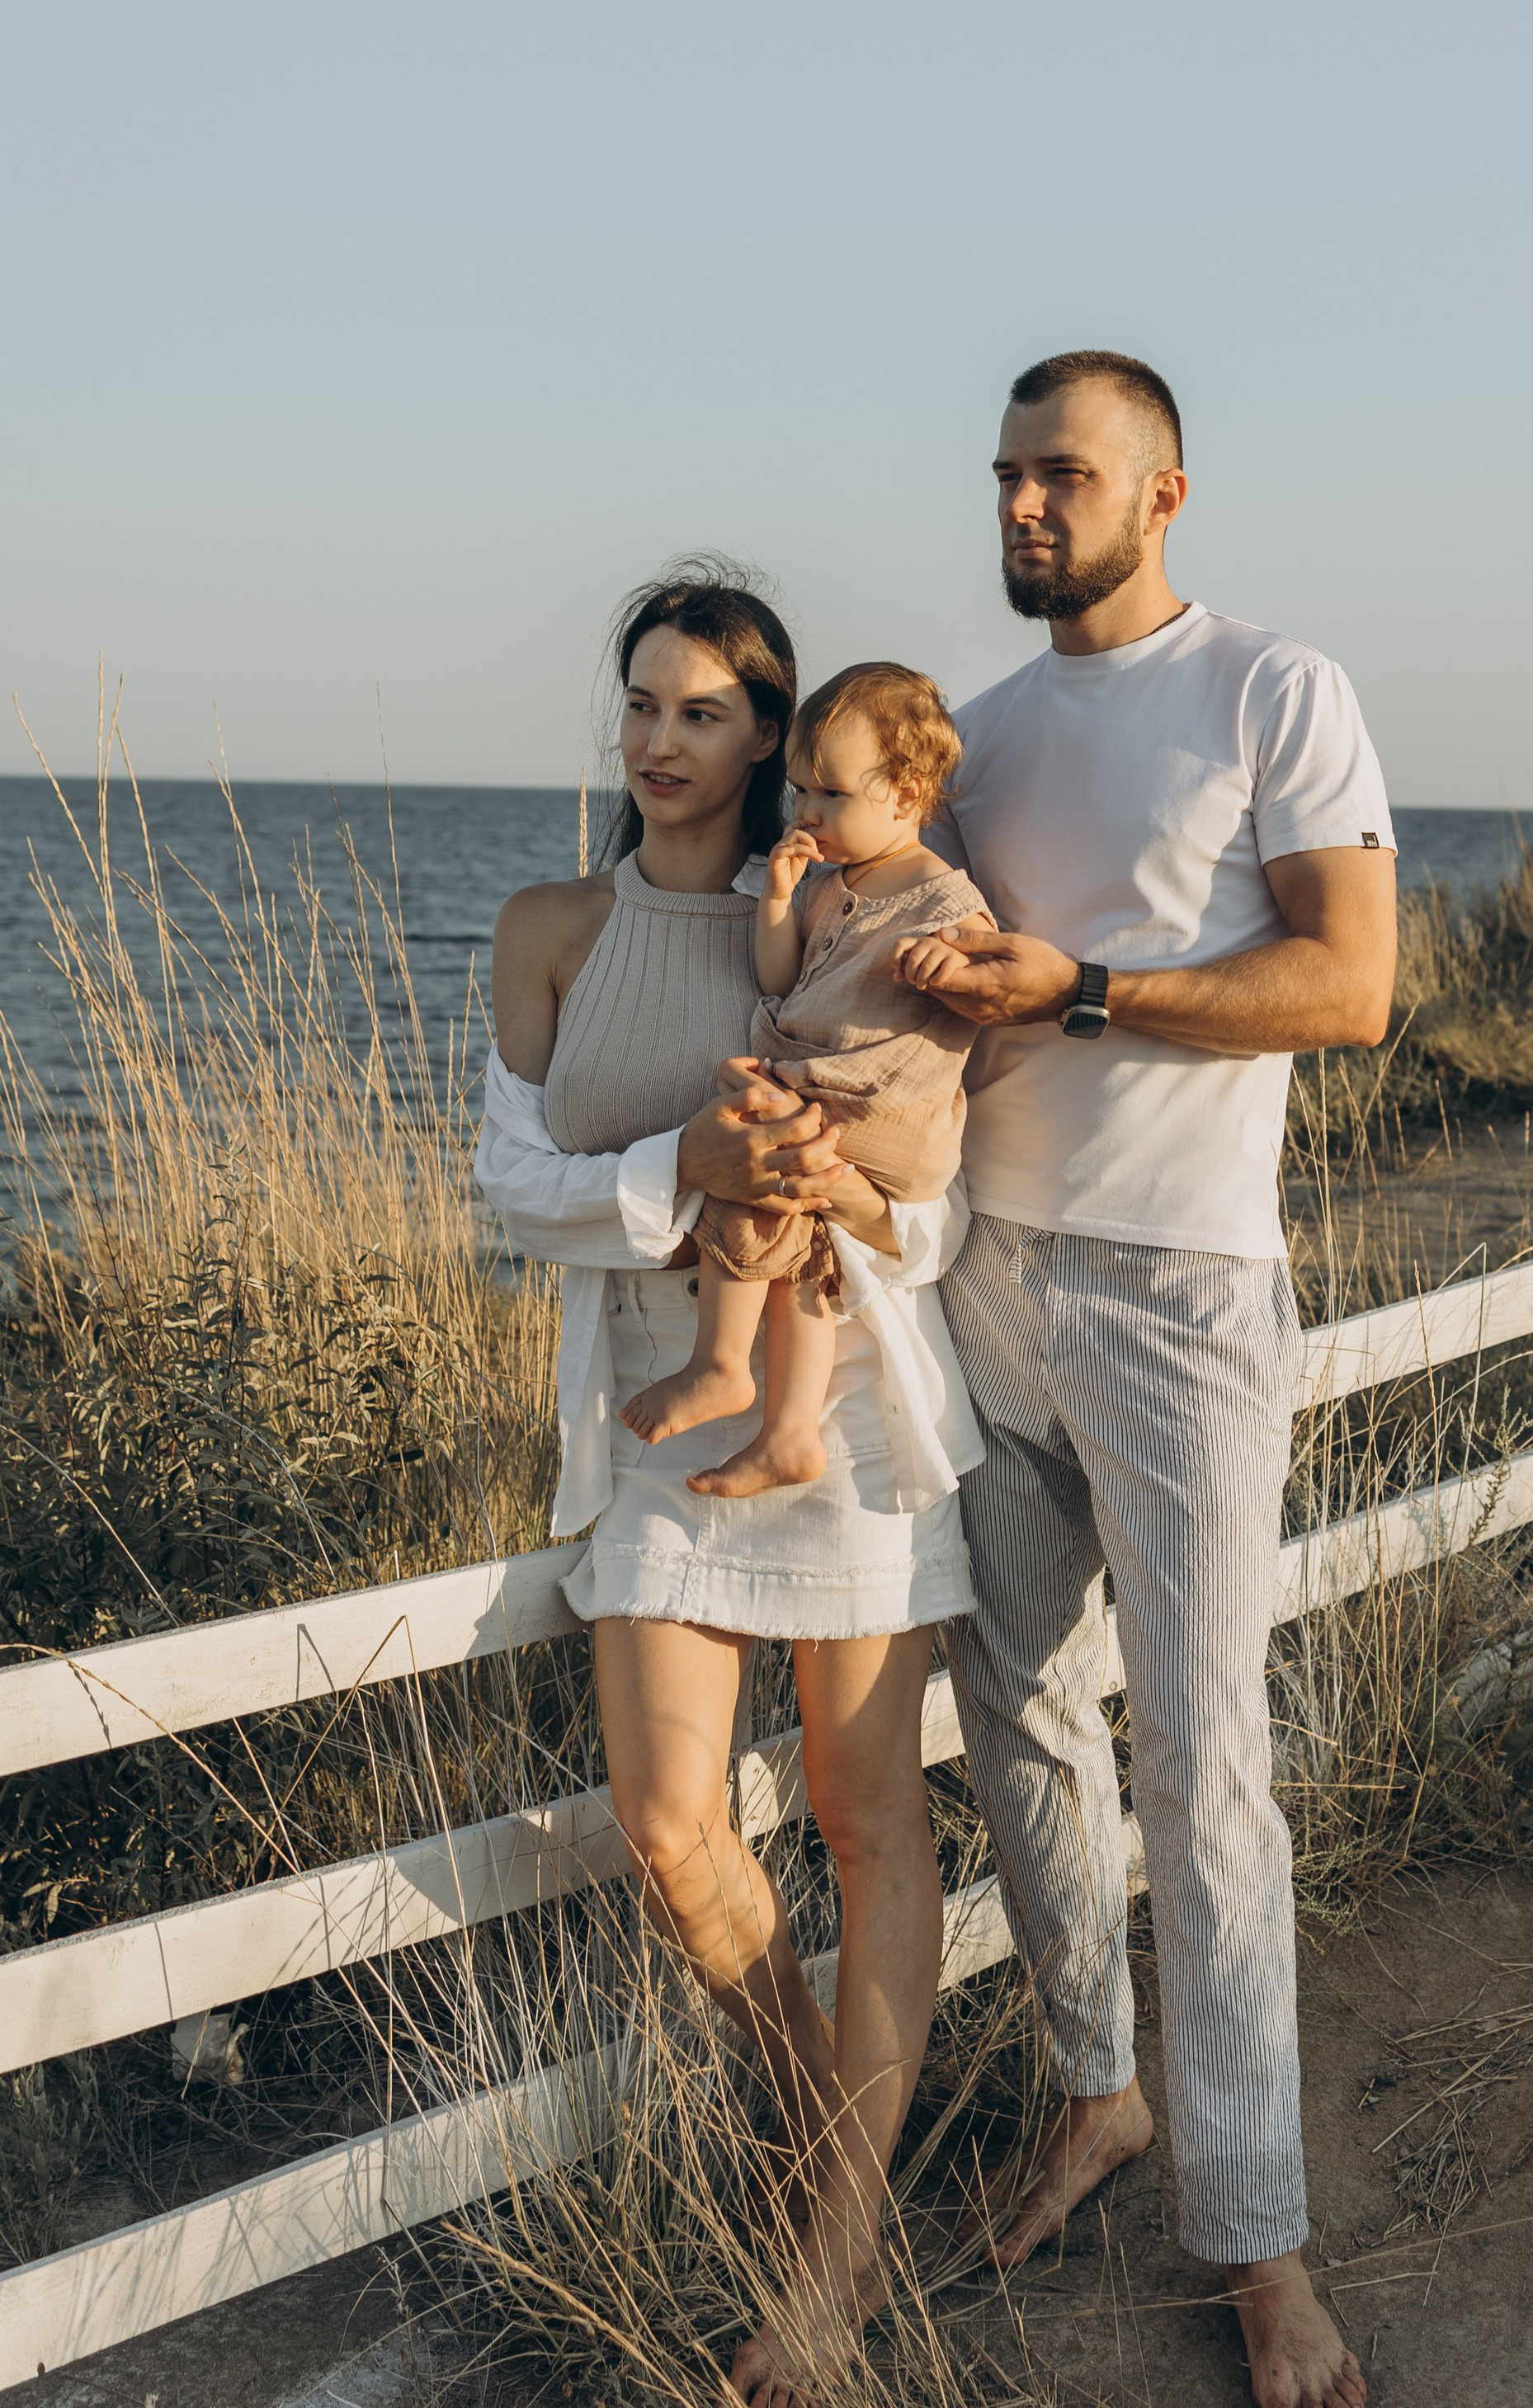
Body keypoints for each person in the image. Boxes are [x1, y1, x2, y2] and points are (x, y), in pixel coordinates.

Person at [899, 351, 1398, 2408]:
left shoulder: (1273, 689)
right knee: (1009, 1701)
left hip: (1182, 1295)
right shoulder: (974, 733)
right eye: (1006, 473)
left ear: (1162, 491)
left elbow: (1348, 984)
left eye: (1063, 474)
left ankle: (1258, 2235)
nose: (1023, 505)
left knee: (1200, 1758)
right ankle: (1096, 2086)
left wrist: (1082, 982)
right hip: (977, 1277)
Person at [475, 572, 984, 2408]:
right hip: (652, 1412)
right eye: (638, 708)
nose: (658, 742)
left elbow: (933, 1203)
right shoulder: (554, 923)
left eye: (700, 712)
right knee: (673, 1822)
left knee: (865, 1829)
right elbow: (504, 1189)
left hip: (839, 1402)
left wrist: (831, 1192)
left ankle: (832, 2279)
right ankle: (820, 2139)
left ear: (768, 732)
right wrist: (680, 1172)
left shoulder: (859, 906)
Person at [617, 661, 993, 1500]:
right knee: (803, 1237)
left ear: (905, 793)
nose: (808, 815)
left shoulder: (942, 897)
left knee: (750, 1142)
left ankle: (720, 1364)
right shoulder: (830, 884)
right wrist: (780, 899)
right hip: (842, 1099)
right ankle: (789, 1431)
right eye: (799, 794)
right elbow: (775, 980)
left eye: (830, 796)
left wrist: (951, 961)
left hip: (888, 1105)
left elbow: (983, 988)